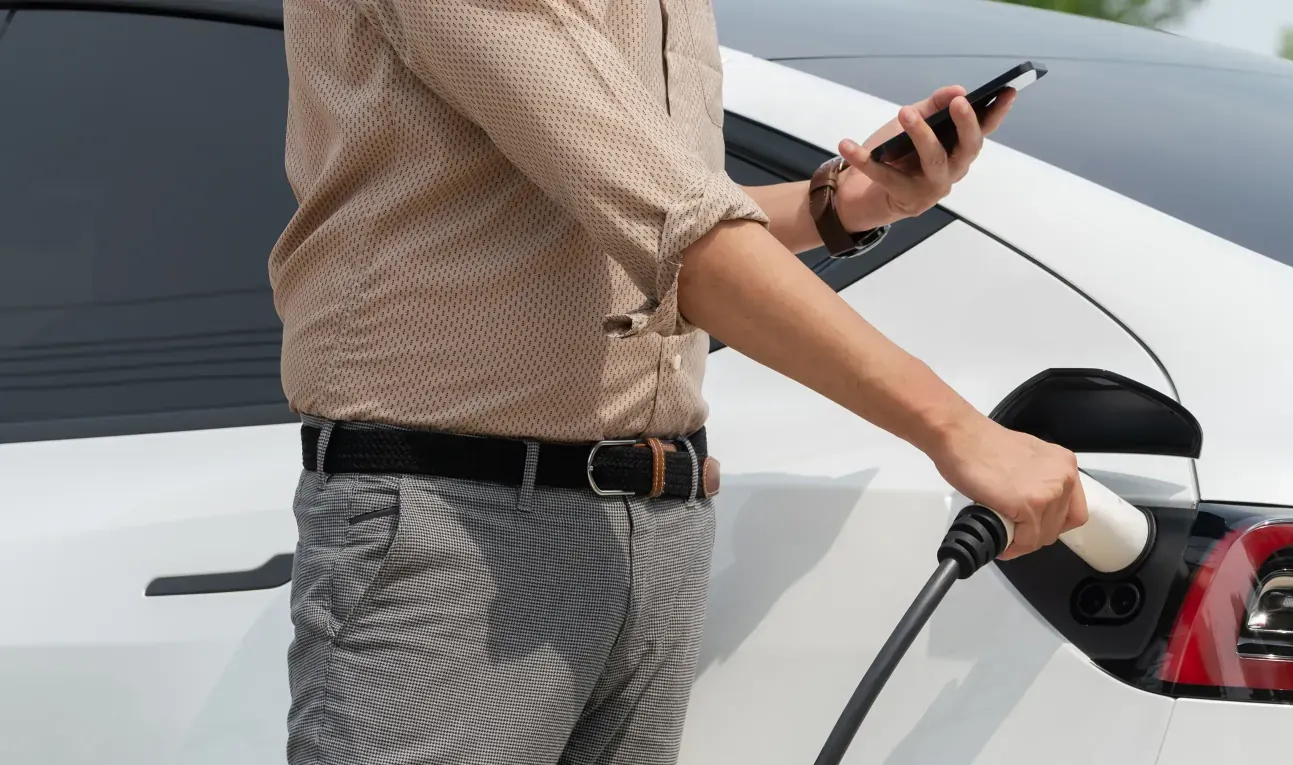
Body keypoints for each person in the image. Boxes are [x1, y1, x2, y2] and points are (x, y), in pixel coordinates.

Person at [269, 0, 1087, 763]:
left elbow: (642, 199)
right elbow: (680, 231)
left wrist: (838, 205)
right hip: (454, 523)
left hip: (658, 526)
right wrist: (959, 428)